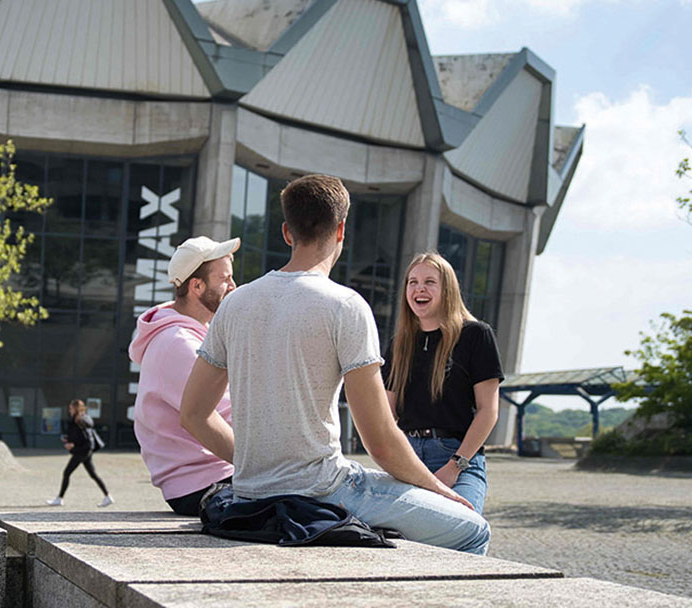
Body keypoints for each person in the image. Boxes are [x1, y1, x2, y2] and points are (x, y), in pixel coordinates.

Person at [179, 174, 489, 554]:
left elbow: (193, 414)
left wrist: (257, 466)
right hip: (326, 489)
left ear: (286, 233)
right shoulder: (345, 306)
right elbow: (381, 441)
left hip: (249, 494)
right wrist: (439, 489)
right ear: (341, 230)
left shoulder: (235, 303)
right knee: (473, 529)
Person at [384, 252, 504, 514]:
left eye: (429, 282)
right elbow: (386, 413)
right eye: (412, 282)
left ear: (447, 289)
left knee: (464, 526)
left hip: (458, 455)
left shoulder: (475, 335)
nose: (419, 288)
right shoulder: (399, 345)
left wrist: (454, 466)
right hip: (408, 455)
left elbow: (488, 411)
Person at [129, 236, 239, 516]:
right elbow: (226, 415)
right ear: (197, 286)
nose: (233, 287)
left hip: (205, 479)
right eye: (224, 279)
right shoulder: (179, 344)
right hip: (206, 483)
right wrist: (267, 467)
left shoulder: (185, 335)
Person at [47, 399, 113, 507]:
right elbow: (78, 436)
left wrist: (73, 446)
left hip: (82, 452)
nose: (69, 410)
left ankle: (59, 499)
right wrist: (68, 439)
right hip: (85, 452)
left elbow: (86, 440)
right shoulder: (78, 420)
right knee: (93, 474)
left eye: (71, 408)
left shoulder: (80, 421)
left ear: (75, 408)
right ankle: (108, 497)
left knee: (67, 473)